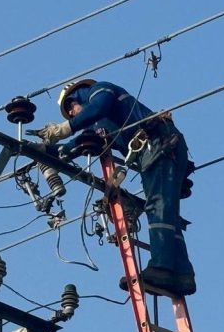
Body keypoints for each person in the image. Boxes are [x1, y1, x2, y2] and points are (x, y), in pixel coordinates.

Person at [33, 79, 196, 296]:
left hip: (160, 142)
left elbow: (100, 105)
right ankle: (183, 275)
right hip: (157, 150)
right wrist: (45, 149)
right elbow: (76, 146)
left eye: (70, 109)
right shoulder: (101, 125)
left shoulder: (99, 90)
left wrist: (65, 128)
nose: (72, 115)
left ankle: (162, 267)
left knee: (158, 206)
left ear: (76, 95)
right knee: (167, 213)